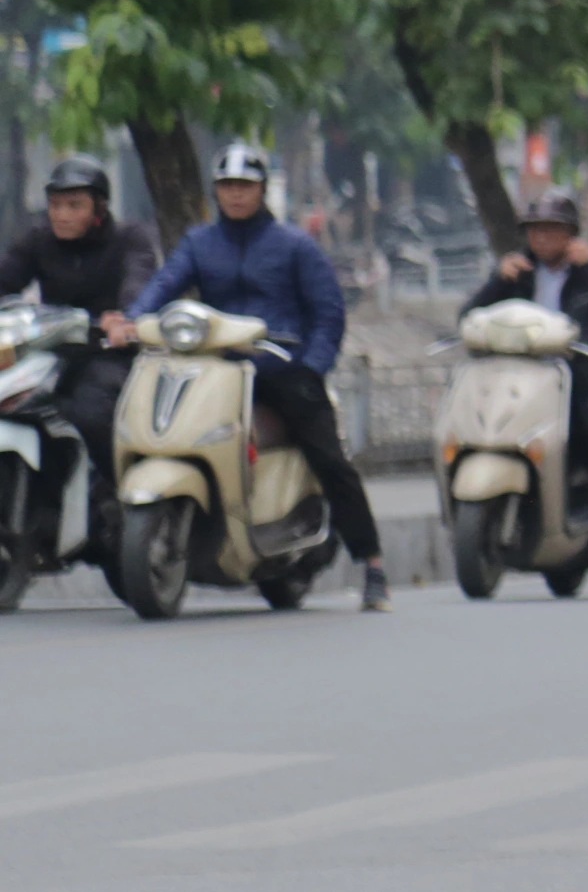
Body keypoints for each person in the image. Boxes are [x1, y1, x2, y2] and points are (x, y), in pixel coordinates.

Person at [107, 141, 388, 610]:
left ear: (261, 191)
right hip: (214, 367)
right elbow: (164, 285)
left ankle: (373, 566)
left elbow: (328, 313)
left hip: (280, 368)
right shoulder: (200, 243)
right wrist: (130, 319)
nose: (236, 195)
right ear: (217, 192)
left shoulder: (295, 245)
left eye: (245, 186)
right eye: (227, 186)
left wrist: (311, 367)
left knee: (329, 459)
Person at [465, 191, 588, 596]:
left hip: (582, 392)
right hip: (523, 388)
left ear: (570, 234)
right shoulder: (518, 274)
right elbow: (471, 317)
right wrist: (500, 279)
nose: (544, 239)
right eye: (537, 231)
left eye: (554, 230)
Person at [0, 156, 159, 556]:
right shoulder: (38, 240)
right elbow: (6, 276)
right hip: (51, 355)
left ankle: (122, 495)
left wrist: (125, 318)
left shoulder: (129, 238)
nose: (62, 215)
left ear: (99, 209)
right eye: (56, 205)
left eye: (74, 206)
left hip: (109, 354)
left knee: (87, 412)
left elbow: (139, 278)